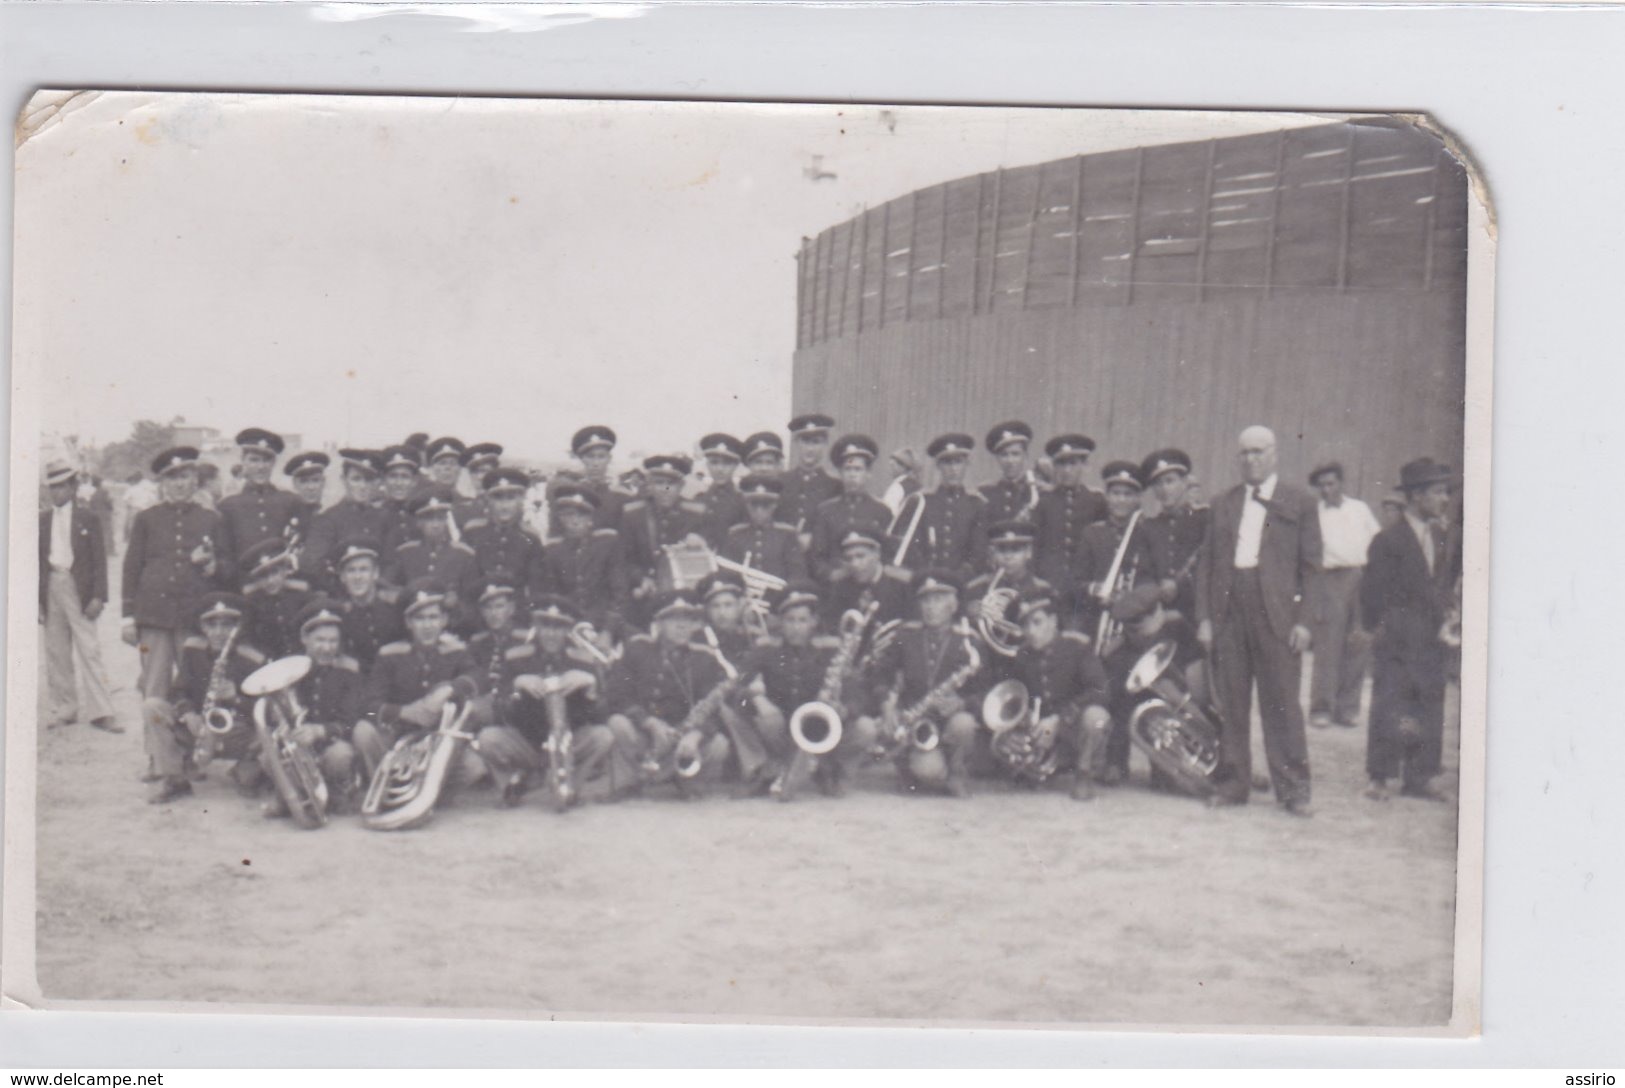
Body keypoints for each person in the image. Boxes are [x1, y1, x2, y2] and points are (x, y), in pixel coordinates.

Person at [1195, 425, 1322, 816]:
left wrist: (1304, 623)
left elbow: (1313, 568)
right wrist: (1205, 618)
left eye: (1258, 452)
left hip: (1277, 615)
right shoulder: (1224, 503)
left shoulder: (1298, 501)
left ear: (1274, 455)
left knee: (1282, 703)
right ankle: (1234, 784)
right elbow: (1206, 566)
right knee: (1232, 703)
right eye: (1244, 453)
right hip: (1230, 610)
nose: (1250, 460)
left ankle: (1294, 789)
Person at [1360, 458, 1459, 802]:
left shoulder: (1443, 537)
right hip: (1398, 640)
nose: (1445, 499)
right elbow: (1372, 594)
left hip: (1432, 638)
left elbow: (1443, 584)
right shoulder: (1388, 540)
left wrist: (1448, 616)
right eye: (1437, 492)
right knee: (1391, 703)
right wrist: (1380, 630)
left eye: (1446, 492)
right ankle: (1380, 776)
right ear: (1416, 496)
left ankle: (1420, 776)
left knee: (1430, 703)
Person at [479, 595, 639, 807]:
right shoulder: (516, 658)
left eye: (559, 627)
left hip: (570, 743)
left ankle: (573, 786)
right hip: (528, 744)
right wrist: (516, 686)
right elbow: (497, 711)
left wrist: (590, 686)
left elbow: (601, 715)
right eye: (545, 626)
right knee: (488, 738)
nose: (551, 634)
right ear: (536, 627)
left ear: (567, 630)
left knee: (604, 736)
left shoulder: (582, 660)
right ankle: (511, 787)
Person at [737, 585, 879, 800]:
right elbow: (737, 688)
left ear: (813, 622)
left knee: (866, 728)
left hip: (821, 729)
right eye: (790, 620)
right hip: (782, 731)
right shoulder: (766, 649)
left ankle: (835, 772)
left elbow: (857, 693)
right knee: (764, 719)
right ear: (780, 623)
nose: (796, 627)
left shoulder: (832, 648)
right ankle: (770, 770)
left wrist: (845, 709)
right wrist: (758, 700)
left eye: (802, 620)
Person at [861, 570, 984, 798]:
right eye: (925, 600)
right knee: (930, 774)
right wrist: (887, 705)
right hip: (912, 717)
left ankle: (956, 773)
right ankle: (908, 767)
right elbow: (880, 675)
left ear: (954, 605)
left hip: (948, 720)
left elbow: (985, 691)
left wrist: (961, 703)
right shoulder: (905, 635)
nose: (930, 607)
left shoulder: (969, 641)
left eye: (938, 600)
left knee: (964, 723)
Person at [605, 590, 739, 794]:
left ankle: (682, 778)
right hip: (645, 733)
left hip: (681, 738)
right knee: (618, 723)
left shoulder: (704, 657)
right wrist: (648, 722)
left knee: (719, 745)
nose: (682, 626)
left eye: (687, 620)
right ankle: (630, 782)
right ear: (658, 623)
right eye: (673, 620)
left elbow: (713, 710)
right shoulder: (637, 648)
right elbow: (617, 695)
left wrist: (695, 735)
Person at [142, 592, 268, 804]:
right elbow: (177, 691)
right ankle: (175, 779)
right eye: (213, 625)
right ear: (204, 628)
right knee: (152, 707)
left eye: (226, 625)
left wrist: (235, 697)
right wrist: (188, 713)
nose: (219, 632)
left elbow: (266, 710)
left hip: (237, 734)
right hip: (200, 728)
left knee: (269, 736)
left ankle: (245, 770)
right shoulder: (193, 650)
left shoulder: (252, 659)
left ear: (236, 628)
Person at [354, 580, 484, 784]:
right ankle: (387, 784)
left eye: (433, 617)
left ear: (443, 620)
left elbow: (477, 677)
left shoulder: (456, 651)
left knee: (475, 768)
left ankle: (427, 786)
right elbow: (369, 707)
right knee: (363, 731)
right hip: (399, 736)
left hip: (437, 737)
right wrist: (404, 712)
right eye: (420, 619)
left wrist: (449, 689)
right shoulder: (389, 655)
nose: (428, 626)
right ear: (408, 623)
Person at [122, 447, 224, 701]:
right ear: (163, 482)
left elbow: (224, 566)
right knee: (154, 689)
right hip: (153, 615)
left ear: (195, 480)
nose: (180, 484)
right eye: (173, 478)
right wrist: (127, 617)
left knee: (198, 687)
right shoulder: (147, 519)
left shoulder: (211, 519)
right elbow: (132, 567)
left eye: (186, 476)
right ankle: (156, 741)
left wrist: (212, 564)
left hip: (194, 616)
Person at [1004, 593, 1112, 800]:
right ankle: (1042, 767)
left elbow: (1101, 690)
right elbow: (1018, 696)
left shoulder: (1077, 647)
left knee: (1096, 716)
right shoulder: (1023, 655)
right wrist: (1025, 723)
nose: (1031, 631)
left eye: (1037, 623)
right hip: (1043, 732)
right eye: (1026, 626)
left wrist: (1058, 720)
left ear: (1053, 622)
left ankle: (1084, 772)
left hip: (1072, 727)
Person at [265, 600, 367, 815]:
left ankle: (337, 792)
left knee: (340, 756)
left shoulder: (350, 670)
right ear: (304, 639)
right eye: (320, 640)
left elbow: (351, 721)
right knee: (268, 756)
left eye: (333, 641)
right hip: (298, 743)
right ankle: (293, 794)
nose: (327, 647)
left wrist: (320, 731)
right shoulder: (290, 668)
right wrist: (279, 718)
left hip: (331, 743)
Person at [40, 460, 119, 733]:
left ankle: (102, 711)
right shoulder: (43, 520)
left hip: (79, 587)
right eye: (52, 487)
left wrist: (98, 595)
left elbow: (99, 560)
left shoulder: (88, 518)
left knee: (90, 649)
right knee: (57, 652)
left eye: (62, 486)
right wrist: (38, 602)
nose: (57, 493)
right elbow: (36, 562)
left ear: (73, 487)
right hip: (52, 583)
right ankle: (65, 709)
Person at [1307, 461, 1383, 730]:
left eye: (1331, 484)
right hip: (1331, 580)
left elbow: (1377, 540)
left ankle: (1348, 708)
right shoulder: (1315, 514)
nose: (1327, 490)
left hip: (1361, 576)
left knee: (1359, 642)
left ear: (1341, 483)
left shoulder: (1359, 509)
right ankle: (1321, 708)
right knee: (1328, 645)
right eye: (1322, 486)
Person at [1077, 460, 1163, 656]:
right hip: (1098, 622)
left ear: (1138, 499)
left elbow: (1154, 579)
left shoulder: (1148, 532)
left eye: (1128, 494)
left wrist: (1132, 599)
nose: (1121, 500)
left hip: (1138, 626)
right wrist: (1095, 589)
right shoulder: (1092, 534)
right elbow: (1076, 581)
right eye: (1116, 493)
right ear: (1106, 496)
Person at [1031, 434, 1106, 629]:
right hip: (1051, 586)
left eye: (1073, 464)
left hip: (1083, 591)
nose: (1067, 470)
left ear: (1084, 466)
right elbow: (1036, 547)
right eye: (1061, 465)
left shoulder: (1096, 501)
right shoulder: (1044, 502)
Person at [216, 428, 306, 586]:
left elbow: (299, 549)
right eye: (254, 460)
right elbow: (225, 557)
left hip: (283, 589)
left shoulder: (291, 502)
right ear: (243, 461)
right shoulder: (228, 506)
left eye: (266, 461)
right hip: (244, 589)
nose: (261, 467)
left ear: (274, 463)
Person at [620, 454, 709, 614]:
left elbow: (707, 559)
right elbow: (624, 559)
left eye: (671, 484)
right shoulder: (633, 514)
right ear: (649, 485)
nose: (665, 490)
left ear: (681, 486)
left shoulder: (696, 515)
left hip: (683, 596)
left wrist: (700, 543)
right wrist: (641, 578)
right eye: (659, 483)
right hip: (645, 595)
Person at [539, 483, 629, 633]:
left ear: (590, 518)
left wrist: (608, 631)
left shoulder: (607, 544)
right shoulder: (553, 550)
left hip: (604, 624)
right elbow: (552, 595)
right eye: (568, 514)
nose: (575, 521)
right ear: (560, 518)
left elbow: (620, 594)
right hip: (568, 624)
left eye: (581, 514)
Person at [807, 433, 893, 582]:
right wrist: (831, 575)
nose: (852, 475)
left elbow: (887, 555)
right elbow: (817, 557)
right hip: (835, 587)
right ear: (840, 473)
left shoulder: (882, 511)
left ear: (868, 474)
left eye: (858, 469)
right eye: (848, 469)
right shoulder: (825, 511)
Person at [1140, 448, 1210, 631]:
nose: (1164, 489)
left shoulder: (1205, 519)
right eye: (1158, 484)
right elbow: (1144, 573)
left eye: (1170, 481)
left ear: (1185, 482)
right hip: (1159, 617)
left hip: (1200, 618)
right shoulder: (1148, 527)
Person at [386, 494, 478, 628]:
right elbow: (389, 590)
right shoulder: (406, 553)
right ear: (419, 523)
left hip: (453, 628)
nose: (435, 525)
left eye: (440, 519)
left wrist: (456, 604)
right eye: (429, 519)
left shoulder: (463, 555)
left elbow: (471, 601)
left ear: (446, 521)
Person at [301, 449, 388, 591]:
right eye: (356, 479)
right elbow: (311, 565)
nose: (363, 486)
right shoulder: (327, 520)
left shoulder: (384, 517)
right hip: (339, 597)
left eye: (368, 480)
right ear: (344, 480)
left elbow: (390, 562)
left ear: (376, 483)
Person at [906, 433, 989, 582]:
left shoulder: (976, 504)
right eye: (947, 463)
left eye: (958, 462)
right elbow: (913, 549)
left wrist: (958, 578)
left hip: (963, 585)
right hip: (926, 583)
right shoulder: (921, 502)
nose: (953, 469)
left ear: (966, 464)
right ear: (938, 465)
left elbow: (978, 553)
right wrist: (926, 576)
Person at [461, 468, 546, 604]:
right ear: (488, 501)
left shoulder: (531, 537)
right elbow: (464, 579)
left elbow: (536, 585)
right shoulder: (473, 531)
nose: (504, 506)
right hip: (478, 607)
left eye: (510, 498)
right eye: (498, 498)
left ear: (520, 501)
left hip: (516, 610)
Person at [721, 475, 810, 594]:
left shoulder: (786, 535)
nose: (759, 510)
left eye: (765, 505)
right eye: (754, 504)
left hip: (778, 600)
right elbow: (727, 575)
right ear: (746, 505)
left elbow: (797, 574)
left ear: (775, 505)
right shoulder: (735, 534)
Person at [820, 528, 913, 630]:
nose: (854, 564)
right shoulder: (841, 587)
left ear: (877, 554)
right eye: (849, 558)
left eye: (860, 556)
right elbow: (833, 625)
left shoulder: (900, 585)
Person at [333, 540, 405, 671]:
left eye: (364, 569)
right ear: (342, 577)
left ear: (376, 573)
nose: (357, 577)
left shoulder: (396, 607)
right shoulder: (340, 615)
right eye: (351, 571)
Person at [239, 536, 314, 660]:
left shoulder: (301, 596)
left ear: (285, 570)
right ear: (256, 580)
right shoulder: (252, 604)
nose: (270, 581)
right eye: (263, 576)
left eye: (275, 572)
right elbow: (248, 639)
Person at [550, 425, 627, 535]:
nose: (595, 463)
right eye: (590, 457)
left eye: (601, 457)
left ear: (609, 459)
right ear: (582, 459)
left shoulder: (623, 497)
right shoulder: (568, 496)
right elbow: (556, 535)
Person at [776, 413, 842, 542]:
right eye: (805, 442)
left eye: (816, 442)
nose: (810, 449)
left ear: (825, 444)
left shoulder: (835, 486)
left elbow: (836, 528)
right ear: (796, 443)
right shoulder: (780, 482)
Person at [979, 421, 1043, 525]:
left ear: (1025, 456)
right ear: (997, 458)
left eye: (1015, 454)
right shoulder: (985, 493)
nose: (1010, 461)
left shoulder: (1038, 491)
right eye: (1004, 455)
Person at [694, 433, 748, 548]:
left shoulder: (744, 501)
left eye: (727, 463)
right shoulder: (699, 499)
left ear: (736, 466)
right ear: (707, 464)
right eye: (714, 462)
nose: (720, 469)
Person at [378, 445, 424, 555]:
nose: (399, 483)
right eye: (393, 476)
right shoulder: (375, 515)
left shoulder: (423, 515)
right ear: (384, 479)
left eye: (405, 477)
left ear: (414, 481)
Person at [455, 442, 504, 528]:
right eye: (475, 472)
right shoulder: (463, 510)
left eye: (484, 471)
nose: (480, 477)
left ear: (496, 472)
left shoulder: (510, 504)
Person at [283, 450, 331, 530]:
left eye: (315, 480)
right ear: (295, 484)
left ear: (323, 482)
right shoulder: (286, 519)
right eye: (304, 481)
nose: (310, 487)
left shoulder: (331, 516)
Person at [881, 447, 923, 518]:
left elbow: (886, 513)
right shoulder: (920, 487)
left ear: (903, 467)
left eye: (893, 465)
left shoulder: (897, 487)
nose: (891, 468)